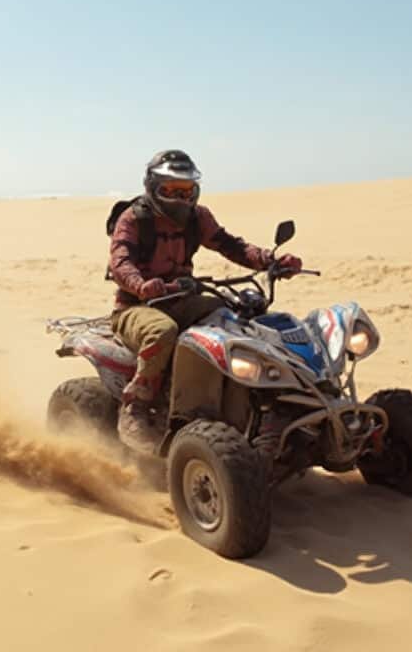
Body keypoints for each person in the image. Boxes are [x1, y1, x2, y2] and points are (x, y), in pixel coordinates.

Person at [108, 149, 302, 452]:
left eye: (186, 190)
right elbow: (120, 262)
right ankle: (137, 406)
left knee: (238, 321)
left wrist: (270, 261)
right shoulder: (133, 218)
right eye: (171, 190)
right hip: (137, 306)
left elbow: (230, 245)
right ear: (153, 188)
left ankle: (250, 401)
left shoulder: (198, 218)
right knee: (163, 332)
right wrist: (142, 286)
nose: (180, 198)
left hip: (184, 299)